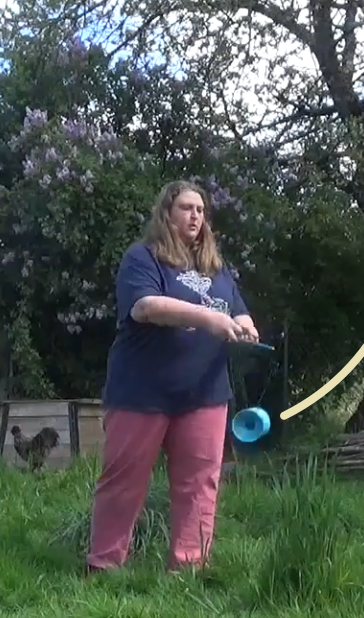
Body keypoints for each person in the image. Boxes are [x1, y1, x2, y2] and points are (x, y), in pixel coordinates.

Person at [86, 179, 259, 573]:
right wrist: (210, 319)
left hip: (205, 393)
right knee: (123, 481)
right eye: (186, 208)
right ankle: (103, 565)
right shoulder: (143, 258)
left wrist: (247, 328)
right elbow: (146, 307)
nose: (195, 216)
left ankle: (188, 569)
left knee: (200, 483)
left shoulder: (217, 269)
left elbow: (239, 311)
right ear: (166, 213)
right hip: (141, 392)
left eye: (200, 210)